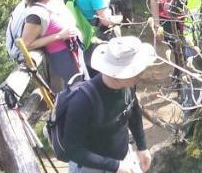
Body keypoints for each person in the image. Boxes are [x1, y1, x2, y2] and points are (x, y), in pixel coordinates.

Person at [56, 35, 155, 173]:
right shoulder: (82, 101)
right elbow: (73, 150)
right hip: (91, 168)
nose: (141, 72)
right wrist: (115, 166)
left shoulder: (127, 86)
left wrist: (142, 146)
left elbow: (133, 112)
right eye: (136, 70)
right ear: (119, 75)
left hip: (123, 159)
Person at [17, 0, 85, 83]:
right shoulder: (36, 14)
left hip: (75, 51)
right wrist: (59, 36)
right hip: (62, 58)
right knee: (78, 92)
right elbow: (27, 44)